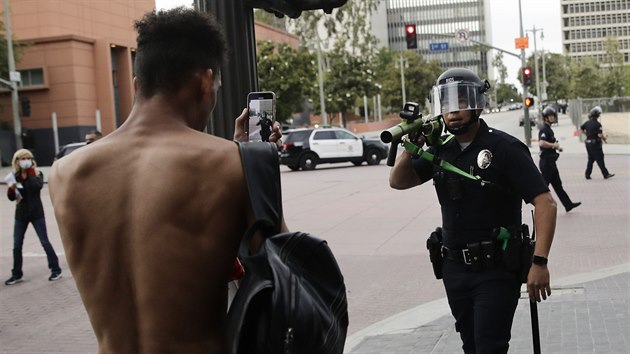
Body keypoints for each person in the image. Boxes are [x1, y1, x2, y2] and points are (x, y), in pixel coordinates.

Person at [49, 8, 283, 354]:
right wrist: (252, 164)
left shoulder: (65, 172)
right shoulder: (235, 164)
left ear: (135, 84)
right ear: (205, 82)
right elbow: (284, 274)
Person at [389, 68, 558, 353]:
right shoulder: (442, 149)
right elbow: (398, 181)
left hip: (495, 270)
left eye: (462, 102)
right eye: (446, 104)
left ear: (478, 103)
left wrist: (539, 263)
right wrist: (410, 149)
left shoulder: (504, 148)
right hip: (454, 269)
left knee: (489, 347)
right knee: (471, 346)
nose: (453, 112)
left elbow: (545, 203)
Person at [5, 149, 62, 285]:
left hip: (36, 213)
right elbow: (12, 198)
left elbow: (36, 187)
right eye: (22, 159)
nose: (25, 161)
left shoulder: (37, 174)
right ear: (16, 161)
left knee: (44, 241)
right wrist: (11, 188)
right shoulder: (14, 176)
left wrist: (29, 173)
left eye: (28, 158)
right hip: (21, 214)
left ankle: (56, 269)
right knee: (16, 245)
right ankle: (16, 273)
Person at [538, 106, 581, 212]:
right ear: (545, 118)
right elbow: (542, 143)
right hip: (547, 162)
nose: (552, 118)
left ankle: (568, 204)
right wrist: (554, 145)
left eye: (553, 116)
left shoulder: (549, 130)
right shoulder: (544, 129)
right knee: (543, 187)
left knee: (558, 185)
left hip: (551, 162)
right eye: (550, 116)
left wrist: (556, 147)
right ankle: (539, 205)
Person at [580, 106, 614, 180]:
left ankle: (587, 174)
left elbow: (581, 128)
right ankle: (605, 174)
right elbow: (599, 135)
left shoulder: (587, 122)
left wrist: (586, 134)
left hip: (588, 143)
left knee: (591, 159)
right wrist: (604, 138)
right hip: (595, 144)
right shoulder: (598, 124)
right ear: (598, 115)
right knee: (600, 158)